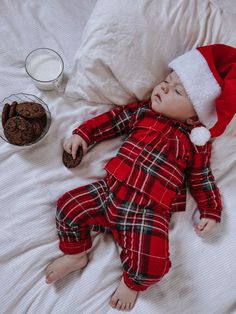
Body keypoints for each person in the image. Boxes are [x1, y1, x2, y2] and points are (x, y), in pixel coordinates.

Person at [45, 44, 236, 311]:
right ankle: (76, 253)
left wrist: (211, 210)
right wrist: (84, 135)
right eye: (167, 80)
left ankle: (132, 281)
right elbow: (112, 120)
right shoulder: (142, 113)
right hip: (109, 191)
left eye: (178, 91)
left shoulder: (195, 142)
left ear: (195, 117)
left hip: (148, 212)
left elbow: (202, 177)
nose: (164, 88)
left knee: (154, 265)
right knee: (68, 206)